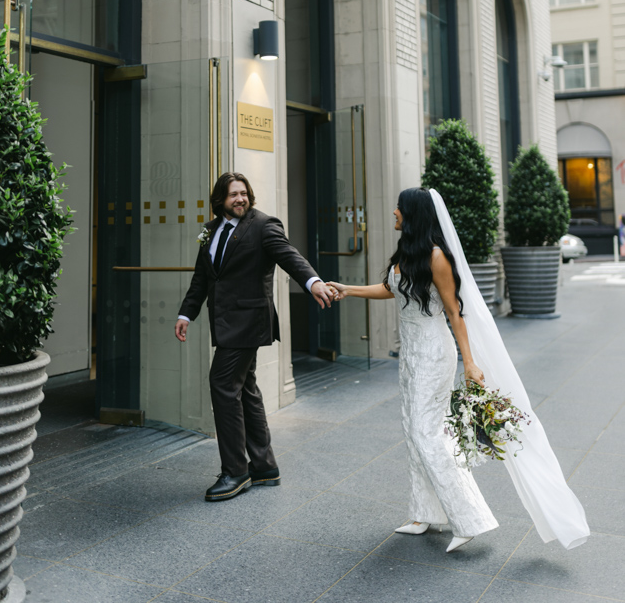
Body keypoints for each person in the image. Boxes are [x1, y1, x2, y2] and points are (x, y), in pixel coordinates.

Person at [329, 187, 590, 553]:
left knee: (426, 433)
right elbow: (392, 289)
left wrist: (470, 363)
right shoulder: (408, 251)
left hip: (435, 353)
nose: (393, 211)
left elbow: (455, 313)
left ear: (413, 214)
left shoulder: (437, 257)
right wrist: (347, 290)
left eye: (399, 208)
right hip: (411, 356)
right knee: (413, 430)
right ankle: (424, 513)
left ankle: (469, 519)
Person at [175, 172, 335, 502]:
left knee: (222, 384)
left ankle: (235, 471)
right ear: (220, 200)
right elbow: (202, 278)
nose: (240, 199)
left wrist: (313, 282)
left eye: (244, 193)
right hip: (225, 324)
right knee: (245, 388)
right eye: (233, 194)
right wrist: (186, 313)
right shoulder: (210, 230)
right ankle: (264, 466)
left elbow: (290, 257)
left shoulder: (263, 225)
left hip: (249, 322)